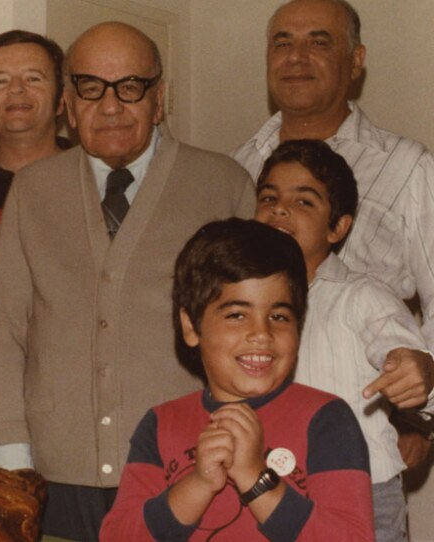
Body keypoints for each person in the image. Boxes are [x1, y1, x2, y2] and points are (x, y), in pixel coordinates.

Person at [0, 21, 256, 540]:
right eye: (90, 87)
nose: (110, 105)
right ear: (67, 100)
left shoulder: (223, 185)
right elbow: (0, 327)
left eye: (130, 87)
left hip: (188, 468)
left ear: (159, 98)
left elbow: (255, 334)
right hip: (56, 471)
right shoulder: (34, 191)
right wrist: (11, 453)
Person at [230, 0, 434, 468]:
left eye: (318, 42)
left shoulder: (406, 166)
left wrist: (422, 417)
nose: (295, 57)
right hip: (254, 439)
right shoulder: (235, 167)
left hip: (362, 432)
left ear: (356, 61)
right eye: (282, 42)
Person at [100, 218, 374, 541]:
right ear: (191, 326)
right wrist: (198, 484)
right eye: (236, 315)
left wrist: (255, 477)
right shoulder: (161, 424)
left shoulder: (327, 420)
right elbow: (118, 536)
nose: (261, 333)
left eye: (279, 316)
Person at [254, 139, 432, 541]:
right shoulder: (243, 301)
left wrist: (417, 368)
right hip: (273, 487)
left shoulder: (362, 296)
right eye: (269, 197)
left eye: (304, 202)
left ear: (338, 228)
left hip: (360, 492)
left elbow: (402, 351)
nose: (280, 208)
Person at [0, 30, 71, 208]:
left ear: (60, 101)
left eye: (33, 78)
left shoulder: (96, 179)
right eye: (0, 81)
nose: (16, 88)